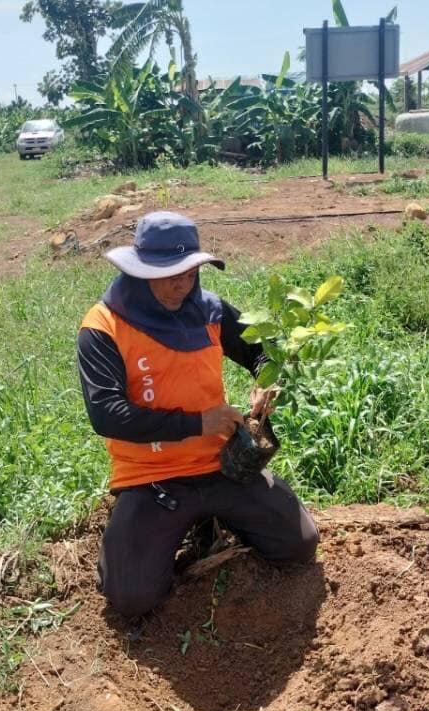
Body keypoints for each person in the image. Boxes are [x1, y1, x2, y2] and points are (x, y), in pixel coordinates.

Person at [77, 211, 319, 620]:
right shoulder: (104, 328)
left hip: (220, 466)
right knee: (131, 600)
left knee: (299, 544)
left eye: (190, 271)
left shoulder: (209, 310)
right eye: (171, 273)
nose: (183, 283)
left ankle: (213, 517)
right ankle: (138, 535)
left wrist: (266, 378)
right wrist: (197, 423)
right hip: (152, 478)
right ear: (139, 271)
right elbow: (107, 414)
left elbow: (262, 350)